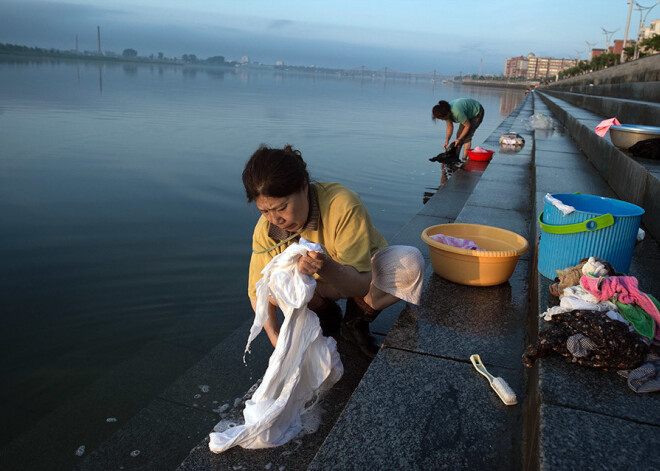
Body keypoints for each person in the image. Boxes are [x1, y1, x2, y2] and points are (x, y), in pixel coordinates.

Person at [243, 144, 424, 358]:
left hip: (363, 278)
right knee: (272, 286)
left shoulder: (341, 204)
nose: (276, 219)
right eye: (264, 210)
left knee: (410, 264)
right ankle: (326, 314)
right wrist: (277, 340)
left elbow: (359, 284)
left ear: (303, 186)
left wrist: (325, 265)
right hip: (318, 289)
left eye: (282, 207)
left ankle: (355, 320)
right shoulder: (266, 229)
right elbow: (257, 293)